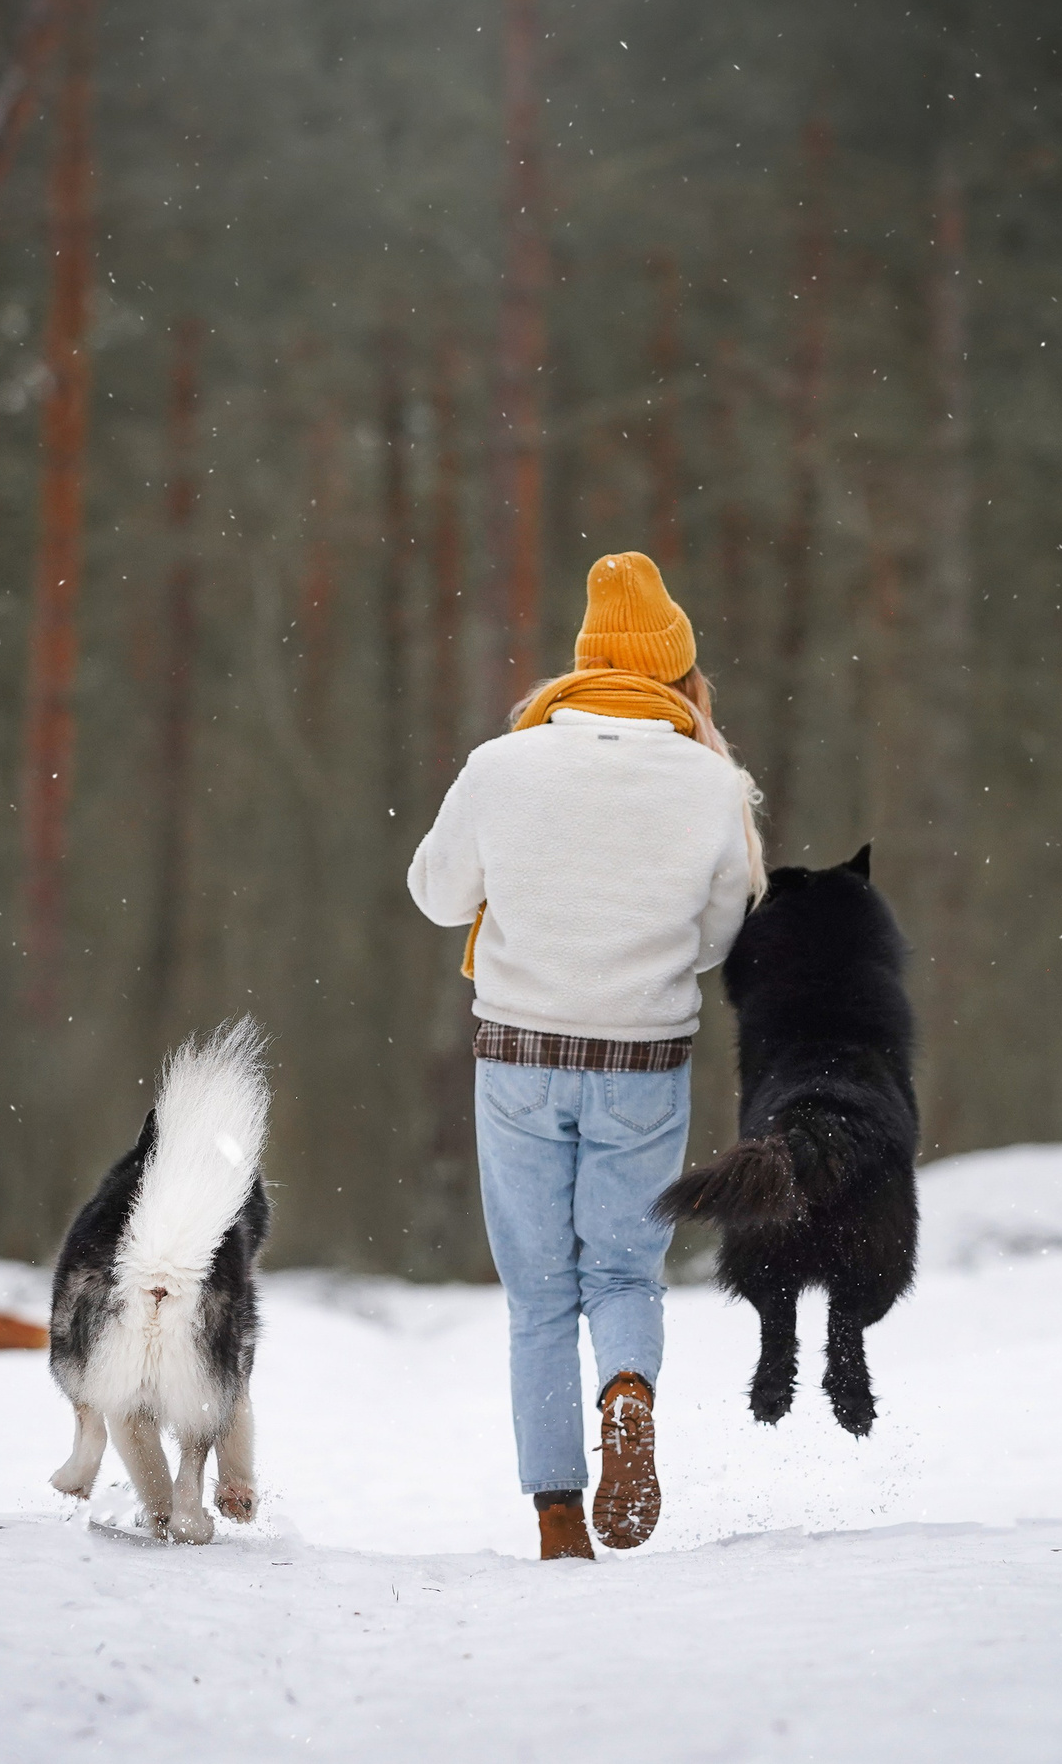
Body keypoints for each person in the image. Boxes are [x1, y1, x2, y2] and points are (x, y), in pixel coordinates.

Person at [407, 551, 766, 1561]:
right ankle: (626, 1392)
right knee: (622, 1273)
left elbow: (437, 894)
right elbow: (720, 933)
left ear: (584, 660)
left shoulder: (503, 762)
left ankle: (560, 1519)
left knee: (537, 1293)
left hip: (518, 1053)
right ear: (677, 673)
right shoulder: (710, 782)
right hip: (642, 1062)